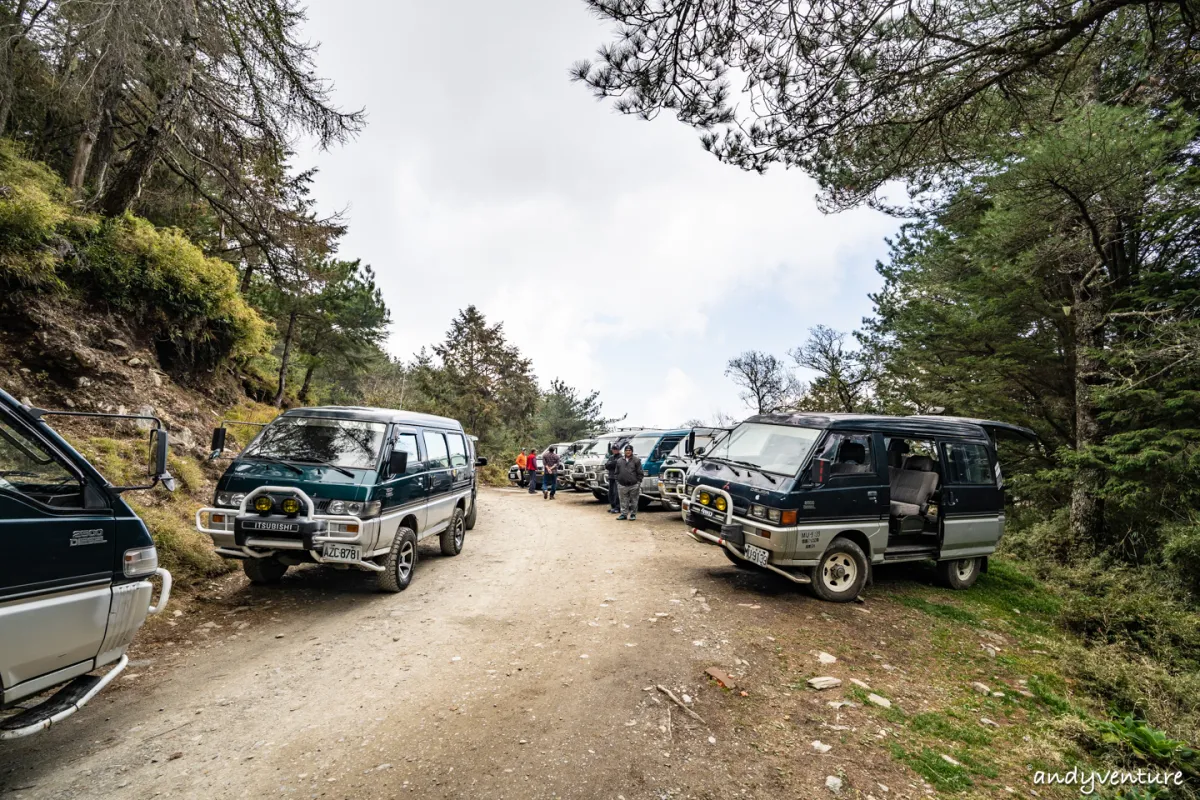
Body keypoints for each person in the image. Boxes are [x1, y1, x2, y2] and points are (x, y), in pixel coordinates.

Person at [614, 443, 644, 520]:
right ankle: (623, 514)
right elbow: (616, 472)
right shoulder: (619, 460)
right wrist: (617, 481)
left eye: (629, 450)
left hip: (634, 485)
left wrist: (638, 482)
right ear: (624, 451)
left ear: (632, 451)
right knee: (623, 500)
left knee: (634, 500)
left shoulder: (636, 460)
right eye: (626, 450)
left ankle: (633, 514)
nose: (628, 452)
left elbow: (640, 472)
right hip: (622, 484)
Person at [604, 441, 621, 513]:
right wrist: (611, 464)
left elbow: (616, 464)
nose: (615, 450)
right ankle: (613, 506)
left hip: (617, 477)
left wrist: (611, 464)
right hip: (611, 477)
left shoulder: (620, 458)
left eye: (616, 449)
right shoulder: (611, 457)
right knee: (610, 493)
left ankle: (618, 507)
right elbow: (607, 466)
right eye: (613, 449)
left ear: (618, 449)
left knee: (616, 493)